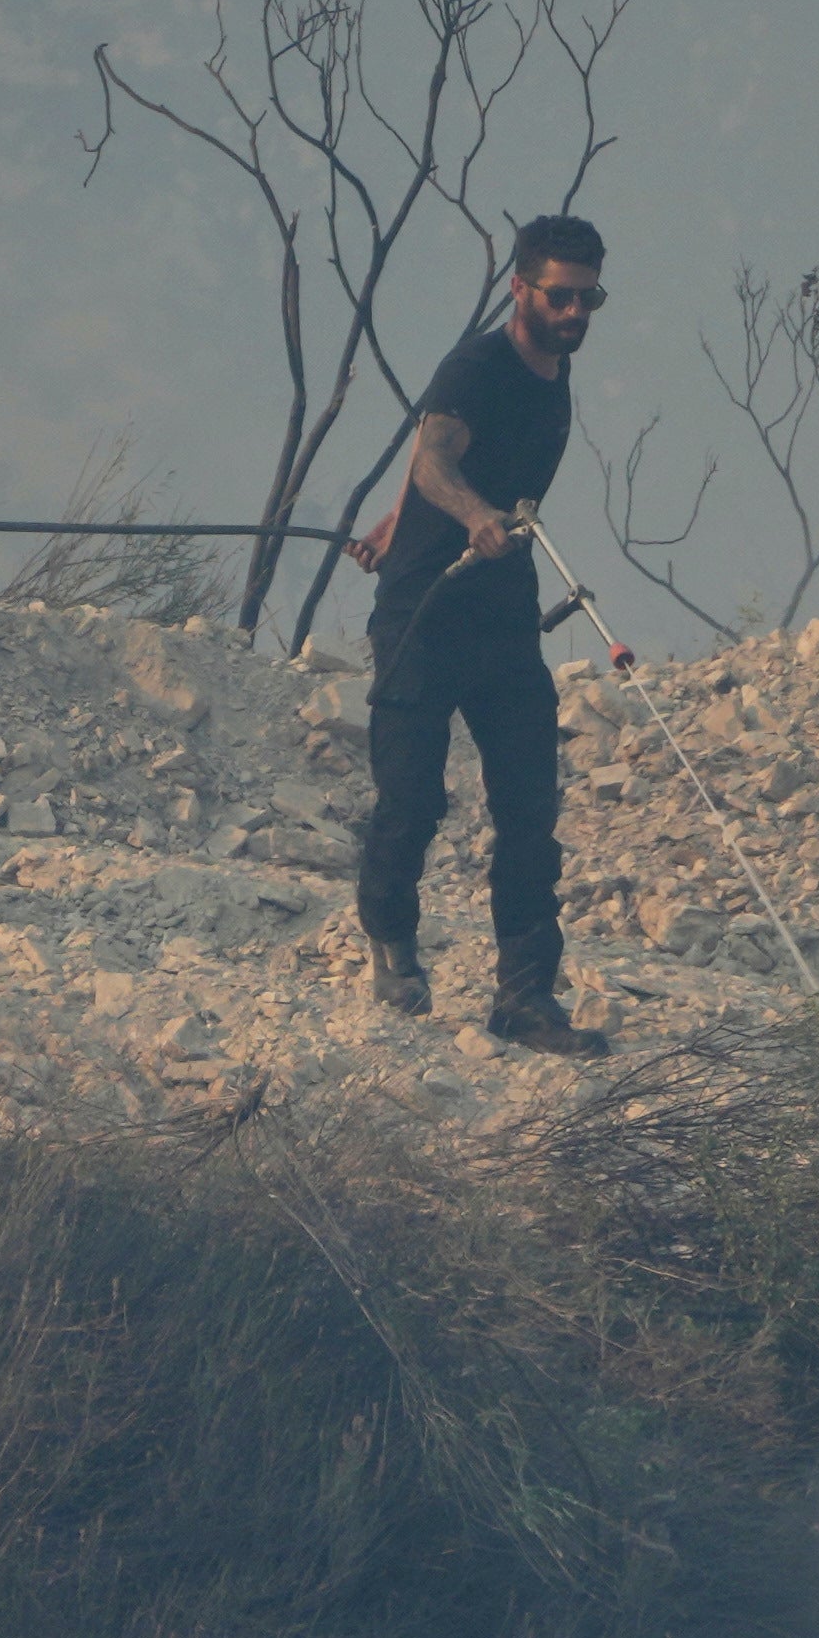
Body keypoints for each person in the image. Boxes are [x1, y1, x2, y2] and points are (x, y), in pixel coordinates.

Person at [347, 210, 606, 1048]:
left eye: (589, 298)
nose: (575, 314)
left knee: (530, 810)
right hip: (424, 610)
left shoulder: (557, 366)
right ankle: (391, 942)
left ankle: (526, 995)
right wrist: (467, 514)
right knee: (412, 801)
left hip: (503, 616)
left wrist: (392, 518)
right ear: (520, 288)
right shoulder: (478, 365)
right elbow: (434, 455)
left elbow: (431, 460)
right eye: (560, 297)